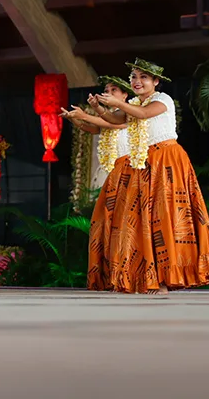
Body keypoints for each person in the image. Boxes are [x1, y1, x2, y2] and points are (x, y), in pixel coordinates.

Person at [92, 59, 209, 294]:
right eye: (134, 76)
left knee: (165, 218)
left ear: (155, 81)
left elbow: (143, 114)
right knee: (140, 218)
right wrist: (99, 108)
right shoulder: (133, 103)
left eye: (144, 77)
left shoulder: (162, 100)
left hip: (167, 160)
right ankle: (144, 277)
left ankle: (166, 280)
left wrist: (116, 103)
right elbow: (115, 120)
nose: (137, 81)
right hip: (144, 163)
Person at [60, 76, 132, 291]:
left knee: (125, 226)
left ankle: (127, 275)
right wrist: (75, 119)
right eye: (106, 89)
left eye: (114, 89)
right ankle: (110, 275)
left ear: (125, 95)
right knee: (105, 225)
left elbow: (110, 123)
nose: (108, 92)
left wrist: (89, 113)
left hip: (130, 175)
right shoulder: (111, 116)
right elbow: (95, 129)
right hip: (114, 176)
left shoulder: (130, 112)